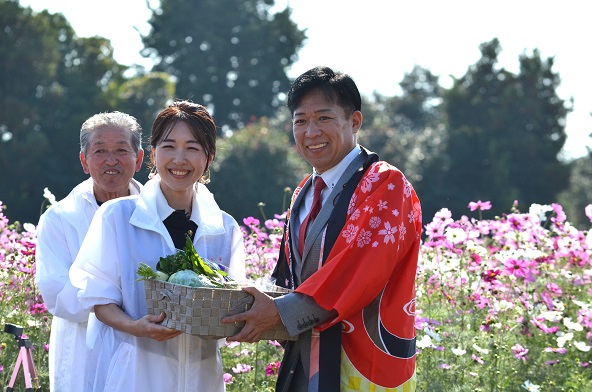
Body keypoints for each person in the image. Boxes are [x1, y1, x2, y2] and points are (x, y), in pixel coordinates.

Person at [222, 66, 422, 391]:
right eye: (300, 121)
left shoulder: (385, 183)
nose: (311, 132)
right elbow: (288, 277)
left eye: (324, 118)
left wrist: (277, 312)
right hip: (307, 356)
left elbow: (357, 271)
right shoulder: (304, 191)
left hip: (365, 359)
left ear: (355, 121)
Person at [69, 100, 246, 392]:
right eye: (168, 146)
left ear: (209, 157)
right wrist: (135, 327)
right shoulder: (118, 217)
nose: (179, 159)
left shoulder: (224, 228)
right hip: (135, 373)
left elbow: (231, 306)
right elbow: (98, 299)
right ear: (152, 153)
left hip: (200, 376)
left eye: (192, 148)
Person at [35, 111, 144, 391]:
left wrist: (100, 288)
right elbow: (58, 295)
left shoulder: (158, 213)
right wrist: (123, 297)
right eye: (100, 151)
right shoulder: (60, 218)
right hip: (83, 350)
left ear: (139, 159)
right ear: (84, 161)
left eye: (121, 150)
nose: (111, 160)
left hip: (147, 350)